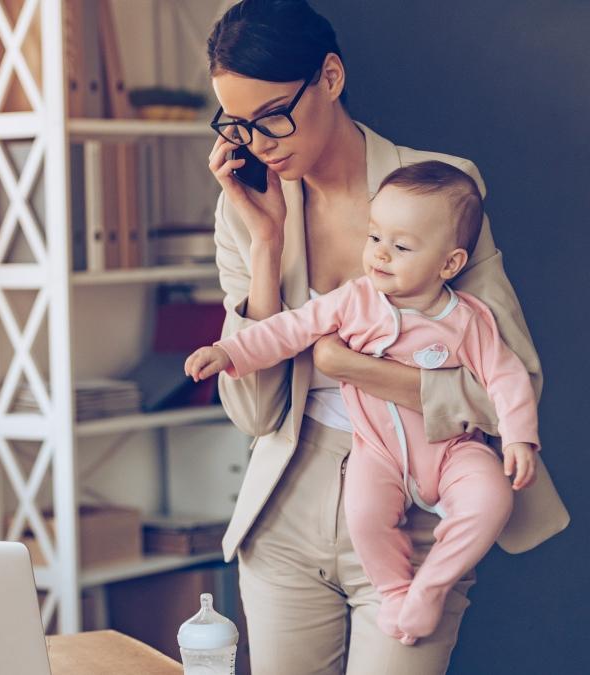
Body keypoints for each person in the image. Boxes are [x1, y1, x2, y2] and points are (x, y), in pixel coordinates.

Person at [204, 1, 570, 673]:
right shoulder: (246, 212)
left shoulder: (442, 188)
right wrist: (265, 245)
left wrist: (350, 366)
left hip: (419, 504)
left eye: (272, 116)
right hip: (286, 506)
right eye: (238, 125)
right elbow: (256, 413)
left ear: (332, 77)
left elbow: (510, 381)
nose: (259, 143)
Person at [187, 160, 540, 645]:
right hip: (376, 452)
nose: (379, 255)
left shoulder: (467, 319)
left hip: (453, 450)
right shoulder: (353, 300)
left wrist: (520, 438)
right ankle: (395, 590)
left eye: (401, 247)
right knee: (364, 512)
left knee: (492, 498)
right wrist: (228, 351)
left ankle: (430, 586)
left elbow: (507, 376)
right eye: (374, 238)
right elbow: (290, 329)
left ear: (450, 264)